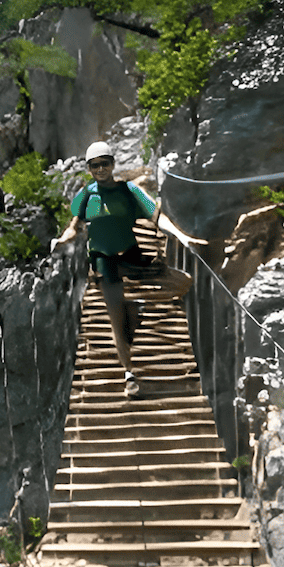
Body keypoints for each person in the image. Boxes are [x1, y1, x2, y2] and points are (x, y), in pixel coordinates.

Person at [56, 142, 200, 398]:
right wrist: (62, 240)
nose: (101, 169)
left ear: (113, 163)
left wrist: (181, 235)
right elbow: (74, 226)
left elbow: (156, 215)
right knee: (115, 316)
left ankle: (137, 310)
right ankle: (129, 374)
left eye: (105, 163)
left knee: (184, 282)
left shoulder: (129, 189)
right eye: (95, 165)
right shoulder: (86, 195)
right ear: (89, 168)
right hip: (103, 261)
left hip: (132, 254)